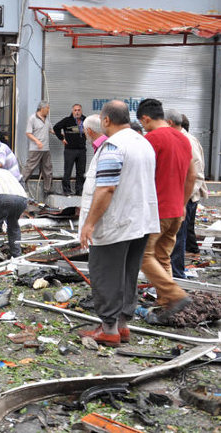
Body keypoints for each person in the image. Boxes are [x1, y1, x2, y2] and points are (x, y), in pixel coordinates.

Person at [78, 100, 159, 347]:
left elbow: (106, 189)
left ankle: (109, 330)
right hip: (140, 222)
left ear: (106, 121)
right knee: (128, 273)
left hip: (116, 224)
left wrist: (89, 224)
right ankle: (122, 326)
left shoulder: (113, 146)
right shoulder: (142, 142)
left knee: (107, 274)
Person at [137, 98, 196, 321]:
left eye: (143, 124)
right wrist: (182, 204)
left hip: (156, 209)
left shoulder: (150, 139)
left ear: (146, 118)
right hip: (176, 210)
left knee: (144, 255)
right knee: (162, 256)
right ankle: (165, 301)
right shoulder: (183, 139)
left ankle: (175, 294)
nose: (143, 127)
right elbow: (191, 175)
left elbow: (140, 175)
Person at [167, 110, 208, 278]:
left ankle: (177, 275)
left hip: (186, 198)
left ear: (169, 123)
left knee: (179, 237)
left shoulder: (187, 140)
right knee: (176, 237)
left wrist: (183, 200)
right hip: (181, 197)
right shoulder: (178, 139)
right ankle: (174, 273)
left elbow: (196, 173)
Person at [53, 104, 87, 195]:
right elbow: (56, 128)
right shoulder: (67, 120)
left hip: (82, 150)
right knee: (67, 171)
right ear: (72, 111)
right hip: (70, 150)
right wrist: (62, 138)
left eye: (79, 110)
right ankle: (66, 191)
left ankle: (79, 191)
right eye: (75, 110)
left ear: (81, 111)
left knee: (81, 172)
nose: (77, 112)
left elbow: (92, 129)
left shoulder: (86, 120)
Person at [22, 101, 53, 196]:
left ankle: (47, 189)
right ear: (41, 108)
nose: (48, 110)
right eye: (47, 108)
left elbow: (50, 130)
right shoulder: (32, 118)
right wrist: (37, 141)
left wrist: (61, 134)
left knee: (48, 168)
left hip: (46, 148)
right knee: (29, 168)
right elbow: (28, 133)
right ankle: (20, 184)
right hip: (35, 149)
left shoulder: (47, 119)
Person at [181, 114, 202, 254]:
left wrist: (186, 196)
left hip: (188, 194)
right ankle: (192, 252)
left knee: (184, 230)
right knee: (186, 230)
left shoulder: (187, 140)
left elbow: (196, 171)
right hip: (188, 193)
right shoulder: (186, 139)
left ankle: (192, 252)